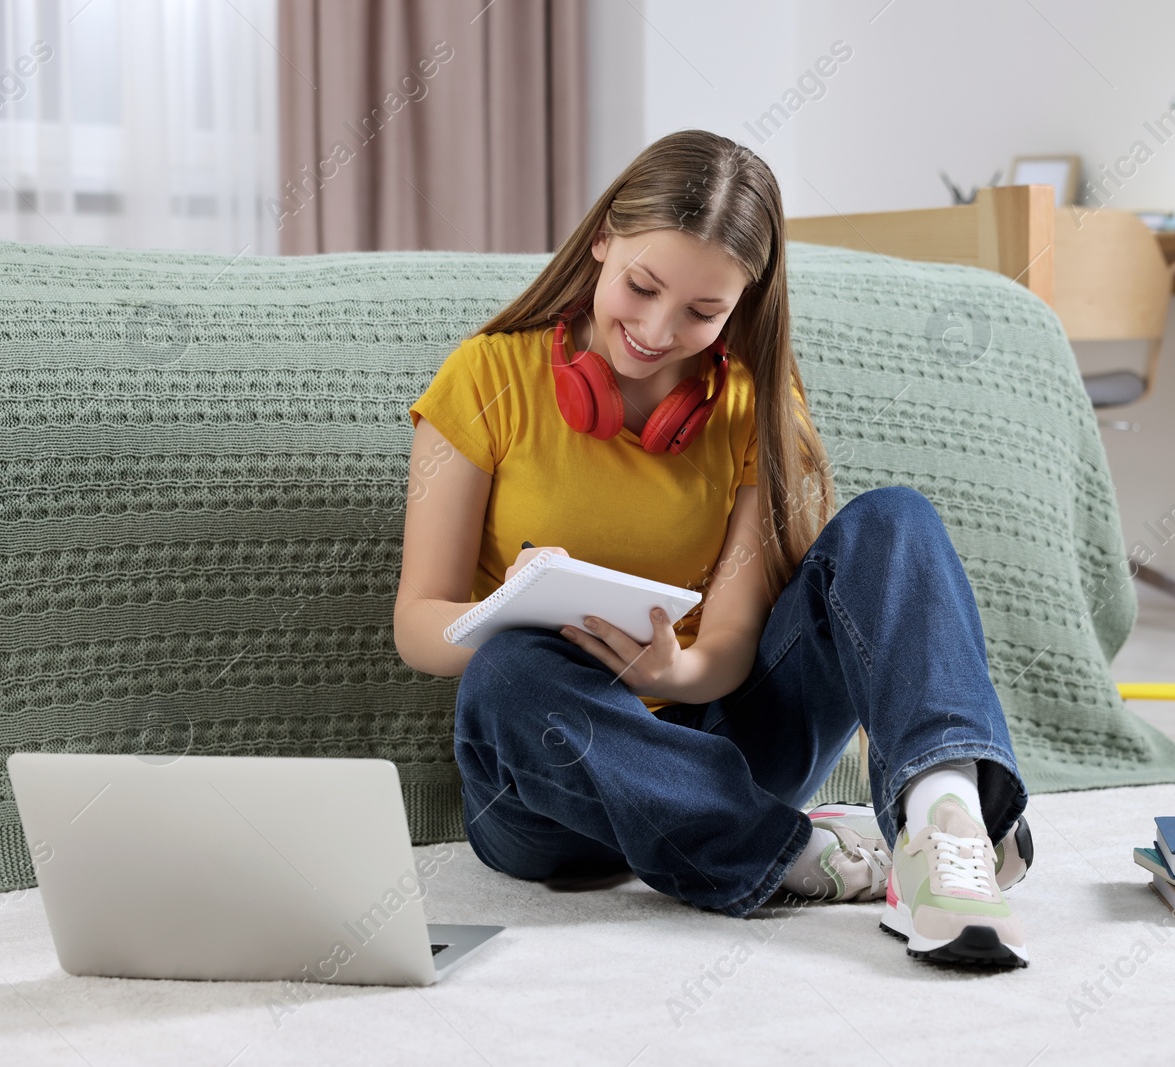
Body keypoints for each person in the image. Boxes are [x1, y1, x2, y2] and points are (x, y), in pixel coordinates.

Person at [393, 129, 1033, 969]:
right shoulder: (484, 379)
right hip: (552, 793)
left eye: (702, 312)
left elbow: (729, 642)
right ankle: (783, 852)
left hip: (720, 733)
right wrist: (501, 611)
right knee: (509, 670)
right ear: (601, 242)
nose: (657, 330)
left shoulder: (754, 405)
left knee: (895, 520)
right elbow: (416, 626)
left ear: (744, 302)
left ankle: (944, 822)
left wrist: (673, 675)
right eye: (642, 287)